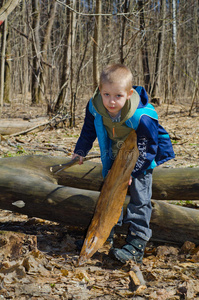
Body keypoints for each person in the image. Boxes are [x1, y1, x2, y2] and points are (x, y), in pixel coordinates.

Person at [72, 64, 175, 264]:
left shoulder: (140, 115)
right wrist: (80, 151)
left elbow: (149, 148)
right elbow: (88, 129)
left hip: (142, 155)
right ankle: (104, 234)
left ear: (129, 94)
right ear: (99, 90)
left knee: (139, 196)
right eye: (106, 94)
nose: (111, 101)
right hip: (116, 152)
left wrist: (133, 172)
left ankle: (137, 242)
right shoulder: (95, 106)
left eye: (118, 96)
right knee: (109, 190)